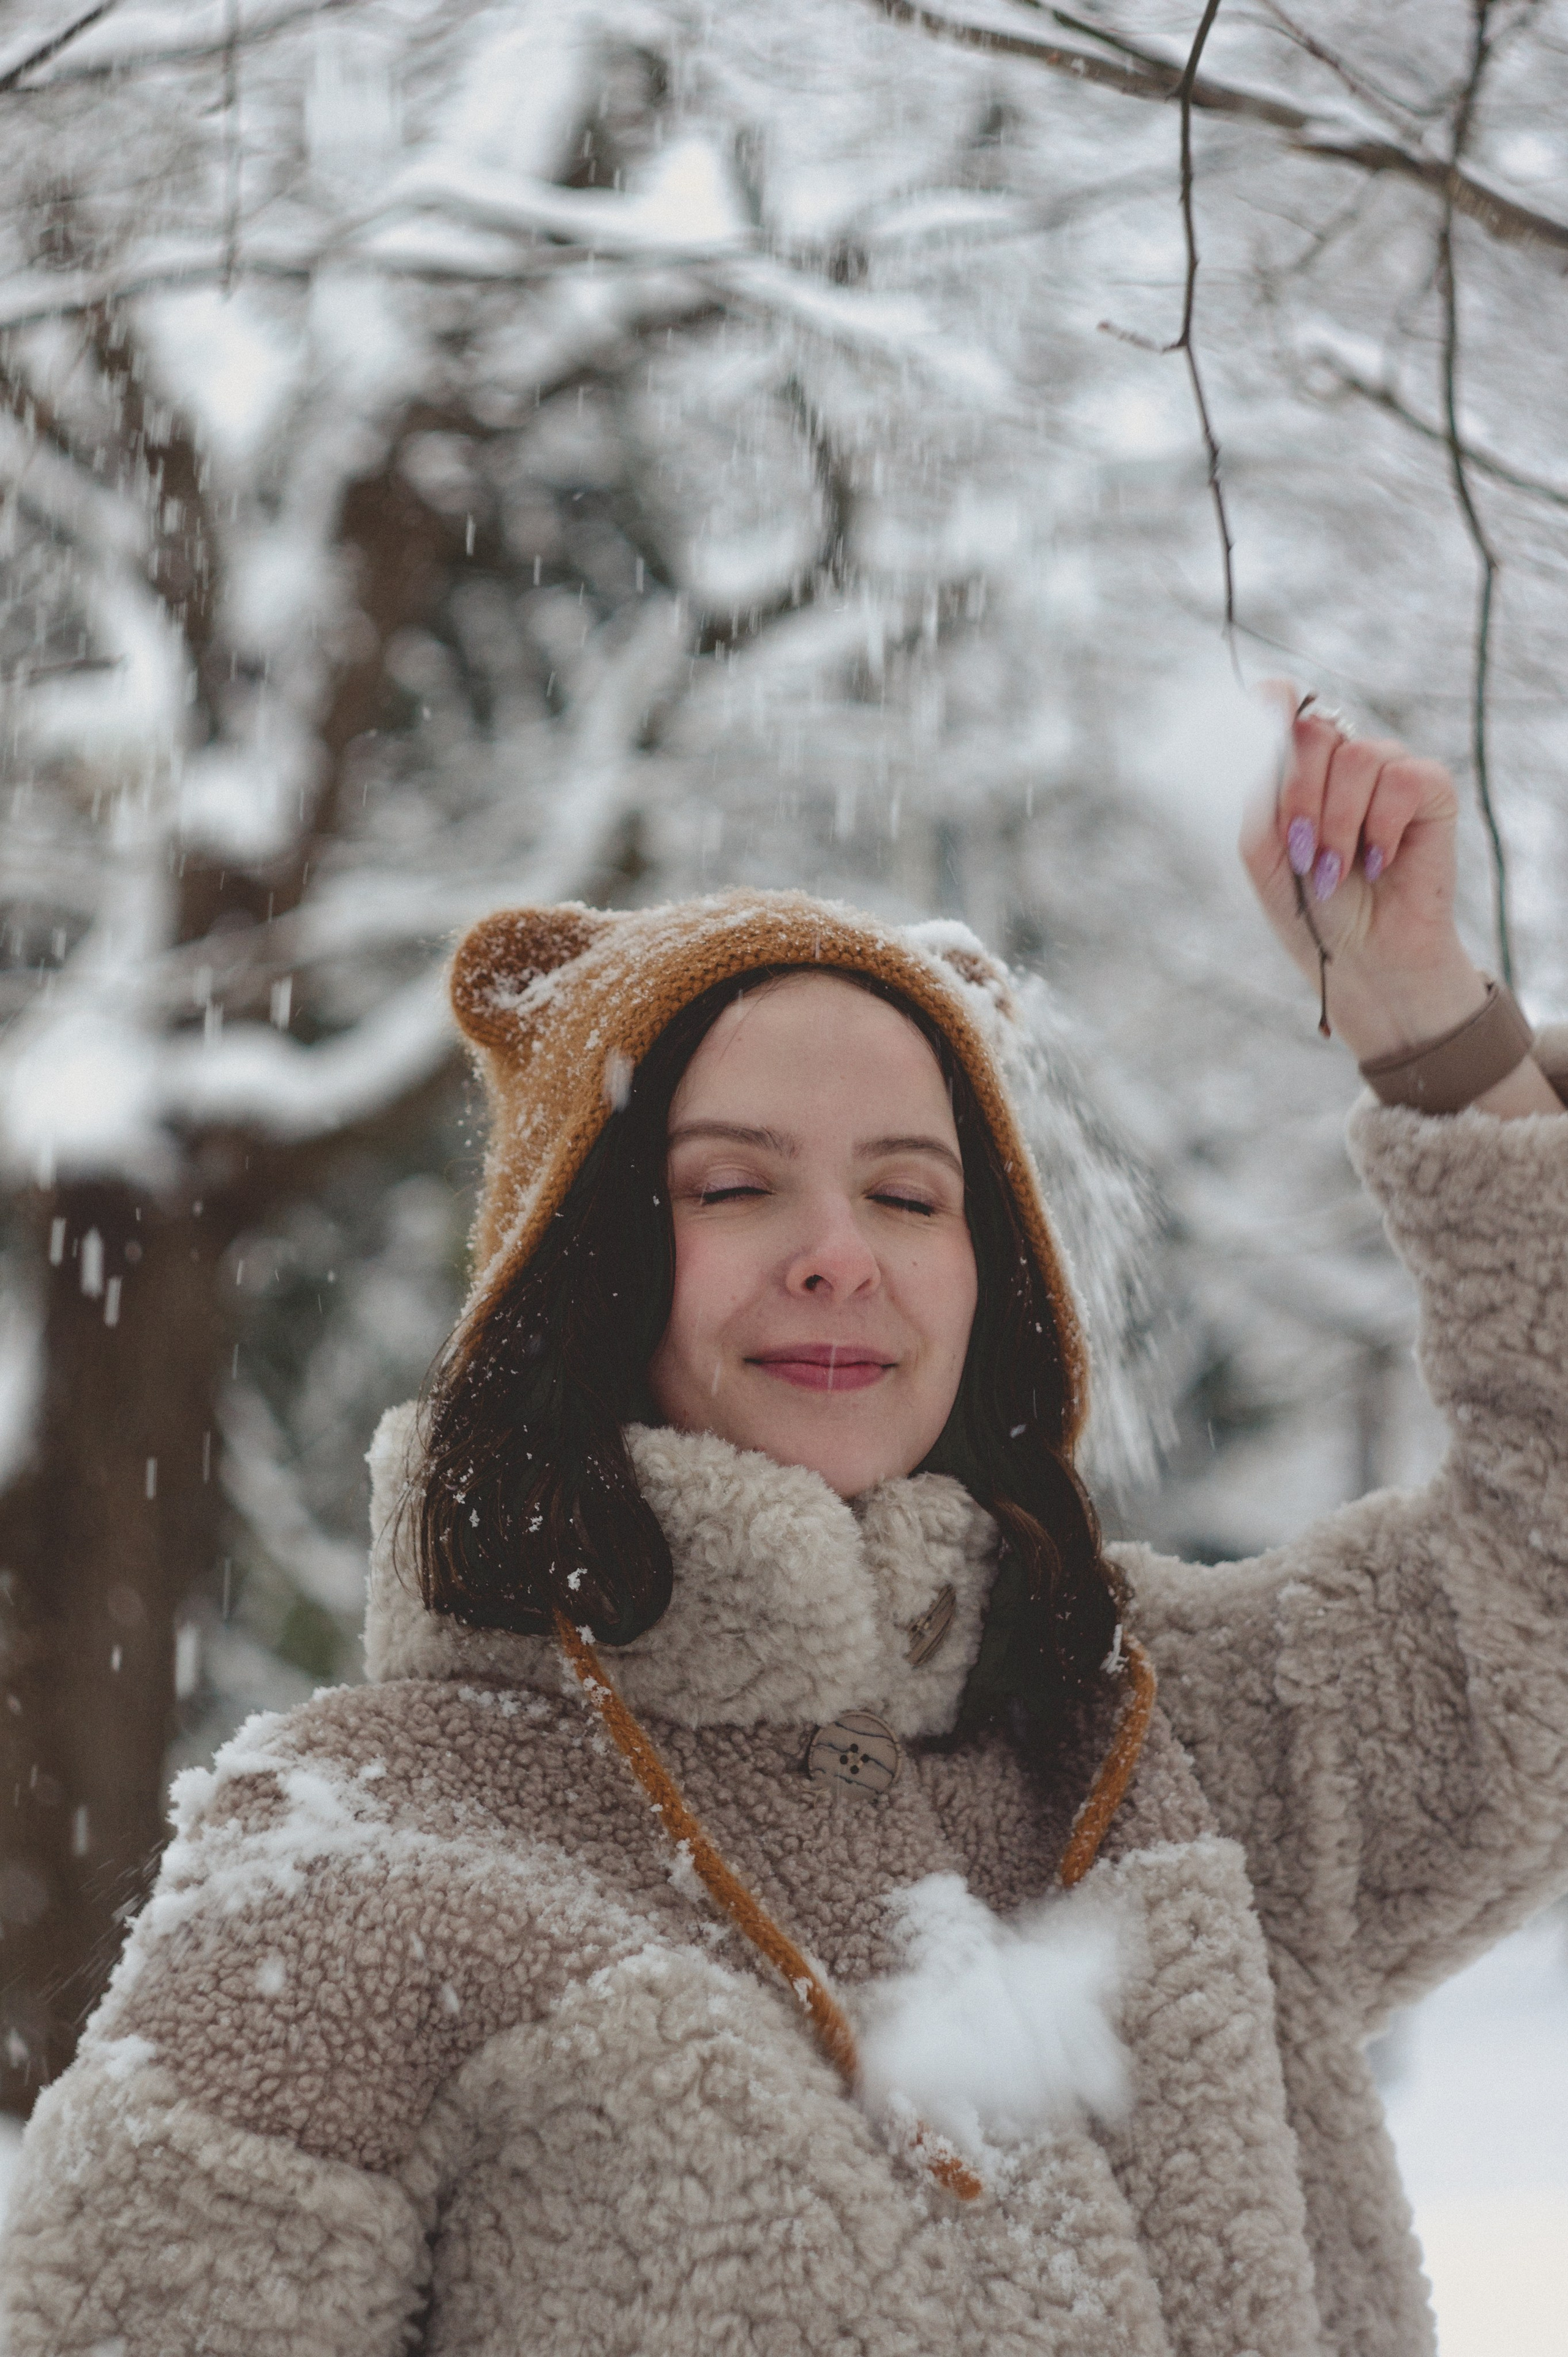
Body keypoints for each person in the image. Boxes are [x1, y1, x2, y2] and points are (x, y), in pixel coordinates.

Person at [2, 703, 1564, 2357]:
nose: (840, 1254)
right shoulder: (358, 1859)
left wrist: (1433, 1037)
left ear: (994, 1286)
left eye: (910, 1194)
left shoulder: (1177, 1738)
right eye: (734, 1186)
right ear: (581, 1268)